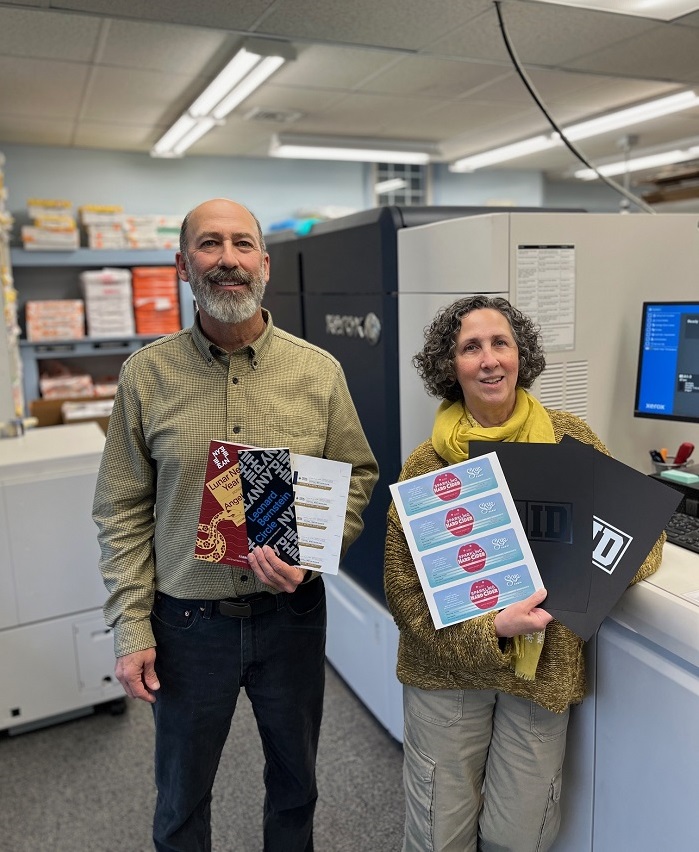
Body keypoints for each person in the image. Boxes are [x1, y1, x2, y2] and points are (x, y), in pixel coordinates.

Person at [93, 197, 378, 852]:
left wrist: (312, 549)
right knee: (181, 797)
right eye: (210, 244)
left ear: (265, 264)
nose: (228, 260)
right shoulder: (146, 375)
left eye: (242, 245)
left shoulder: (318, 372)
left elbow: (356, 476)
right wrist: (131, 625)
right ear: (183, 264)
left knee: (295, 788)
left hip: (291, 617)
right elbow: (120, 507)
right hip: (188, 624)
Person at [383, 295, 663, 852]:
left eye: (500, 343)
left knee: (520, 835)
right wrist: (491, 631)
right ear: (450, 366)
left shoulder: (571, 440)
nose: (489, 360)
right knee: (440, 833)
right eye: (471, 347)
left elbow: (639, 539)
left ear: (520, 356)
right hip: (446, 671)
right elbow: (405, 592)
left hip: (540, 672)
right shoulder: (426, 464)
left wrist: (584, 575)